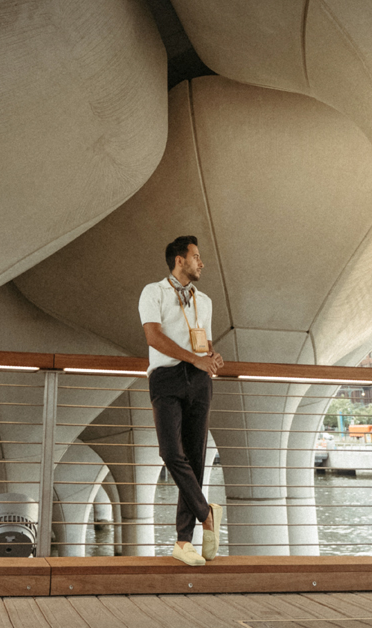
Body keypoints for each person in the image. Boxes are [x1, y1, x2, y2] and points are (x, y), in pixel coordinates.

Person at [139, 234, 225, 566]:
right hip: (166, 377)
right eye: (196, 256)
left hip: (199, 381)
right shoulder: (154, 292)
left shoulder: (205, 301)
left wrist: (211, 357)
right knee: (170, 452)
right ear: (180, 260)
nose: (201, 263)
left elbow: (205, 343)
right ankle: (206, 514)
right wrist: (194, 359)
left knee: (196, 458)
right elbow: (153, 337)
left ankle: (183, 542)